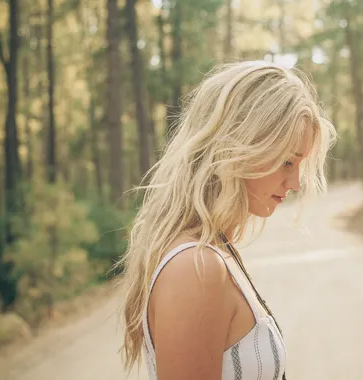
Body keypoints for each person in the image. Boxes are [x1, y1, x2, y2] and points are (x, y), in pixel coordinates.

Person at [118, 60, 336, 380]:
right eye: (286, 162)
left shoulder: (214, 250)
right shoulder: (196, 266)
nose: (295, 183)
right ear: (237, 147)